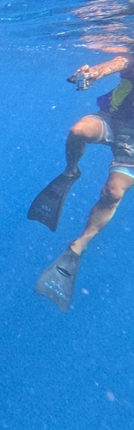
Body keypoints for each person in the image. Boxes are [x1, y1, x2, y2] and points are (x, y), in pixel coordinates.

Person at [28, 53, 134, 312]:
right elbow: (116, 63)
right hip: (111, 118)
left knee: (113, 192)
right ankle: (71, 170)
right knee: (78, 131)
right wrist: (92, 73)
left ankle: (79, 245)